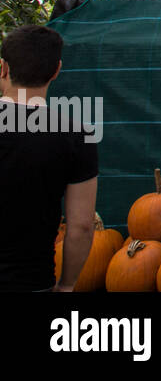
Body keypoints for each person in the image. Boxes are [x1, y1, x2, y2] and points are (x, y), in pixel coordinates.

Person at [0, 24, 98, 291]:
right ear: (56, 70)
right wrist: (67, 285)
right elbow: (80, 226)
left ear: (3, 68)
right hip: (32, 281)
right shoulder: (77, 135)